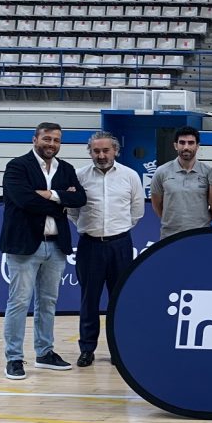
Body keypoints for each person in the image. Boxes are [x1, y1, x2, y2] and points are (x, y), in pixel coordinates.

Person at [0, 122, 87, 380]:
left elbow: (79, 198)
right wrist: (60, 199)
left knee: (48, 302)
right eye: (47, 138)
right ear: (35, 139)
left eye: (56, 140)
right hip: (24, 245)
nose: (51, 144)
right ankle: (14, 358)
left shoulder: (67, 168)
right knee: (19, 302)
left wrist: (48, 195)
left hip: (56, 245)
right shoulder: (17, 166)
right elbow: (23, 200)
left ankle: (44, 352)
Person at [69, 131, 145, 367]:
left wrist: (118, 231)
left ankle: (117, 349)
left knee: (119, 300)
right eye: (96, 151)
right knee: (88, 300)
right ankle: (87, 349)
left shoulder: (130, 176)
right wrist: (88, 228)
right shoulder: (79, 176)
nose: (101, 155)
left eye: (106, 150)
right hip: (89, 245)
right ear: (90, 152)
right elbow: (72, 211)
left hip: (120, 245)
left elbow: (137, 211)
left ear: (115, 151)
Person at [151, 126, 212, 240]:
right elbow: (156, 204)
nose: (186, 147)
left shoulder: (208, 172)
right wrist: (171, 220)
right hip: (170, 236)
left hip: (200, 234)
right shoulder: (162, 172)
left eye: (191, 143)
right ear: (175, 145)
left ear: (197, 146)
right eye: (182, 142)